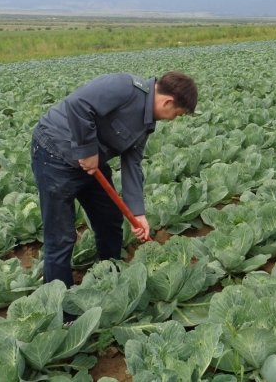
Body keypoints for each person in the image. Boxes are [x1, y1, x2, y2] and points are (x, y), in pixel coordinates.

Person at [30, 71, 198, 287]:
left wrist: (138, 214)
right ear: (168, 102)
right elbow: (78, 104)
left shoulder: (146, 124)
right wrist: (87, 150)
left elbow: (132, 165)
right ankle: (61, 304)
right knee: (61, 236)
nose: (174, 119)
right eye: (178, 114)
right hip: (54, 153)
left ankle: (109, 274)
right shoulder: (124, 86)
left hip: (91, 164)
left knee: (109, 218)